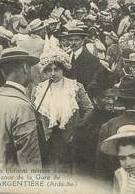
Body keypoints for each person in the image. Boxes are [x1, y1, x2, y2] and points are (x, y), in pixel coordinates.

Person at [0, 47, 45, 171]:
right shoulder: (22, 106)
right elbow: (29, 158)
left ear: (3, 72)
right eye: (30, 67)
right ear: (25, 67)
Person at [32, 42, 93, 172]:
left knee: (69, 171)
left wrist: (79, 127)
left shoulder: (76, 87)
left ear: (63, 69)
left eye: (56, 69)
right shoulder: (38, 90)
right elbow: (32, 113)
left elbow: (89, 108)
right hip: (47, 139)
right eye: (49, 70)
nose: (53, 73)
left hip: (70, 138)